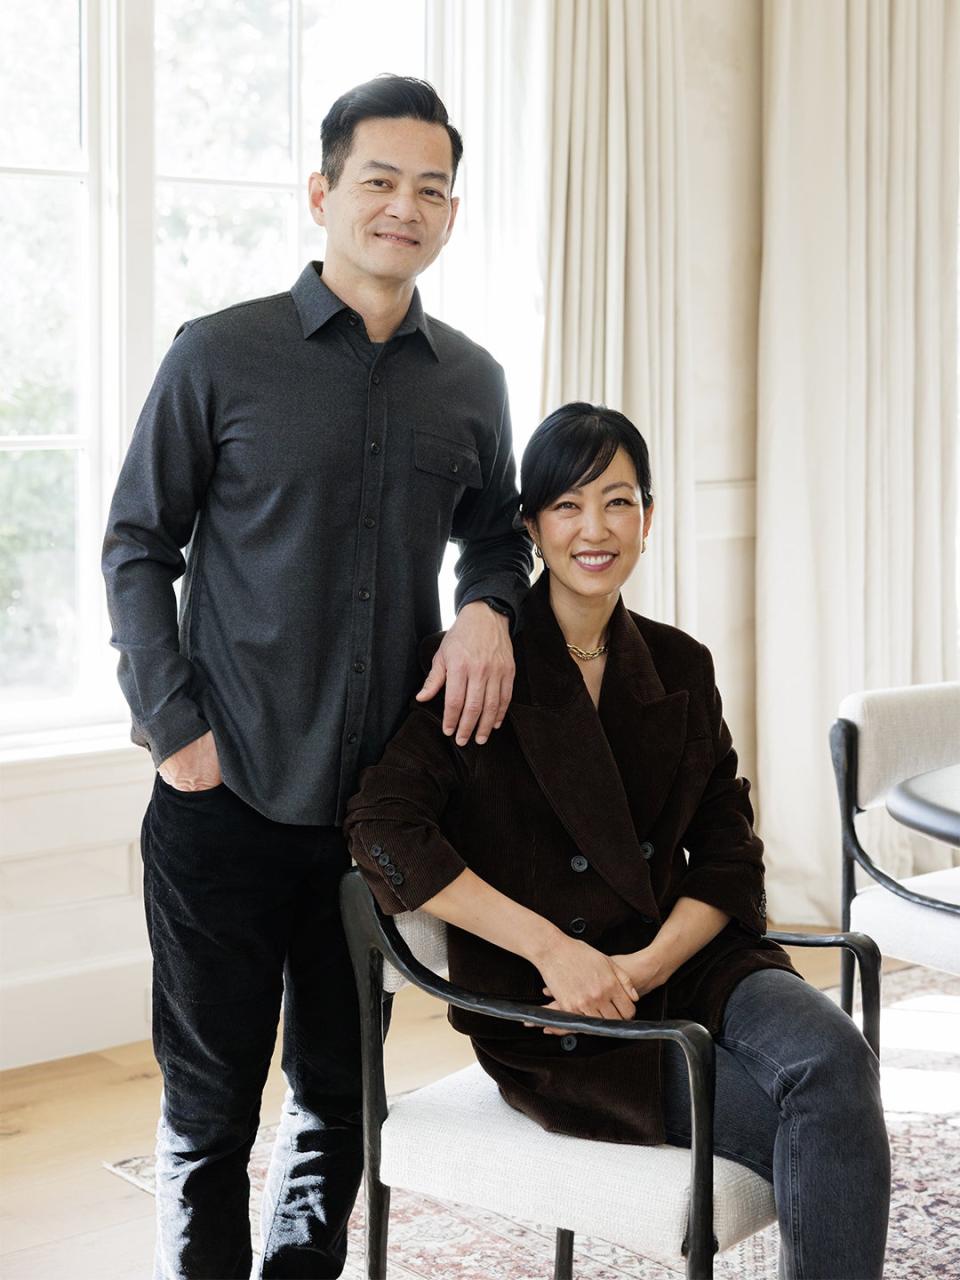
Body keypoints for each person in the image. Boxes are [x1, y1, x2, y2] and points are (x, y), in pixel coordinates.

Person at [102, 75, 531, 1280]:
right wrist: (175, 726)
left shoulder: (472, 381)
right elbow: (138, 540)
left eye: (431, 187)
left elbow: (494, 533)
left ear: (452, 212)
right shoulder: (219, 355)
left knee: (338, 1101)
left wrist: (489, 605)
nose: (406, 205)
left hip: (373, 812)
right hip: (220, 793)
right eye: (380, 181)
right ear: (323, 193)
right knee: (209, 1108)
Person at [346, 403, 891, 1280]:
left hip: (685, 965)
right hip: (559, 1018)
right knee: (818, 1110)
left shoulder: (680, 663)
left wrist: (642, 967)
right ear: (529, 527)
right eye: (567, 505)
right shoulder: (482, 666)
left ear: (648, 515)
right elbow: (381, 828)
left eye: (618, 501)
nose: (594, 530)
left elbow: (727, 853)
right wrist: (557, 952)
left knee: (834, 1057)